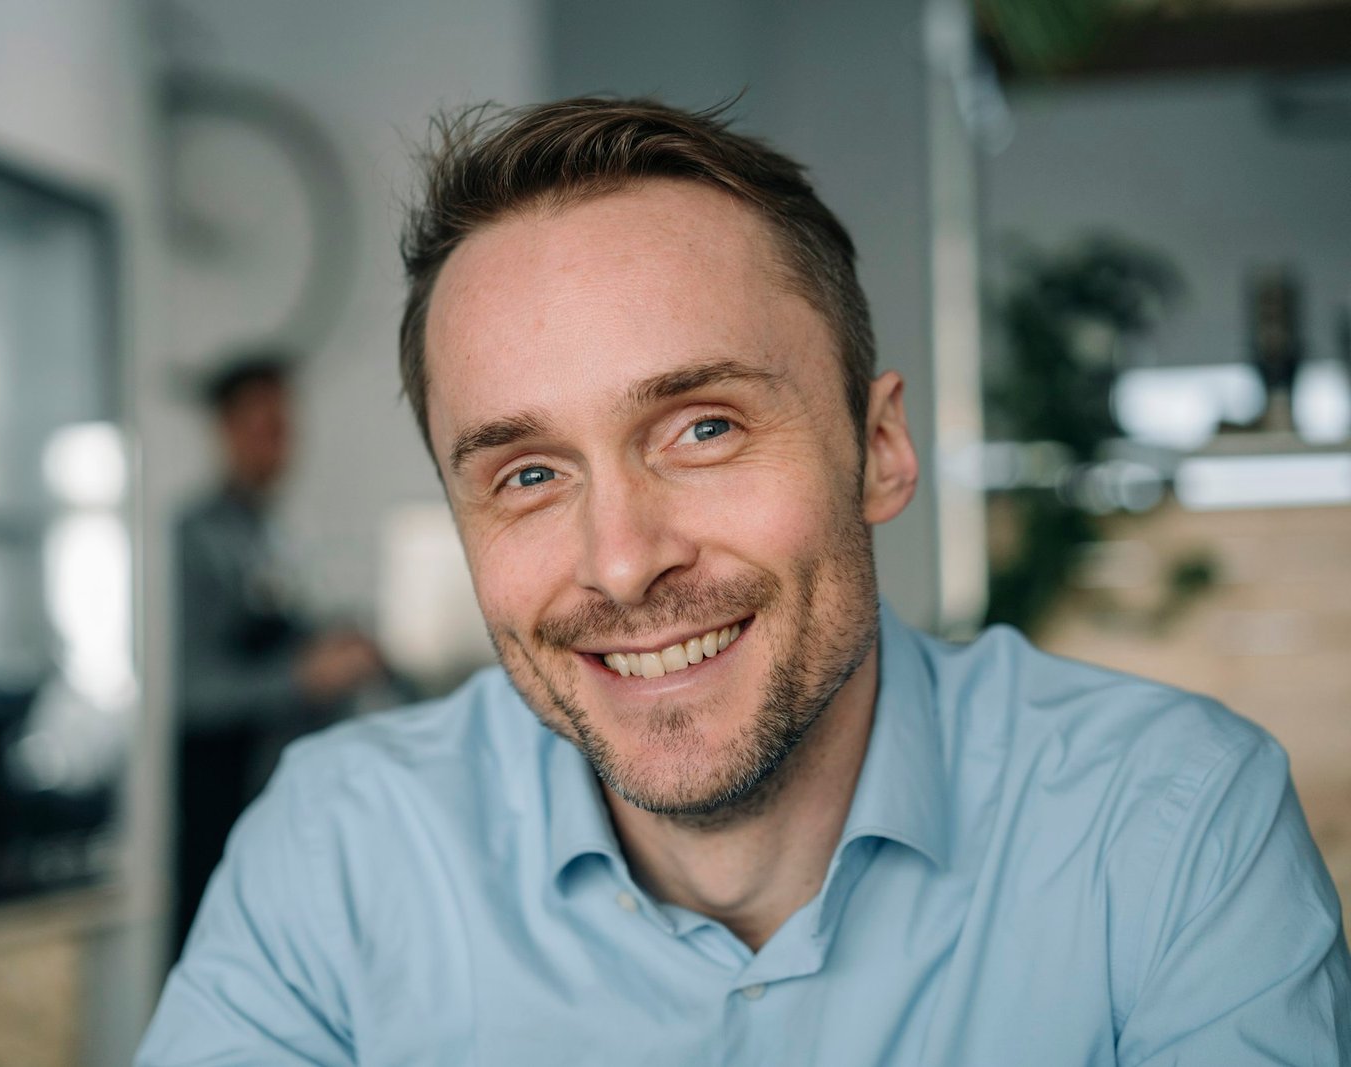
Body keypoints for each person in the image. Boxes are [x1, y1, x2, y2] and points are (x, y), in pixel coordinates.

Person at [139, 100, 1351, 1065]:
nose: (621, 559)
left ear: (877, 447)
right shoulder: (337, 848)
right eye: (527, 473)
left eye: (702, 427)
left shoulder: (1170, 824)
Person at [171, 352, 386, 954]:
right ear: (226, 430)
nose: (279, 444)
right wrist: (303, 678)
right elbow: (187, 691)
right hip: (214, 801)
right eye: (263, 427)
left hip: (276, 800)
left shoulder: (274, 534)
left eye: (285, 428)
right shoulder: (194, 540)